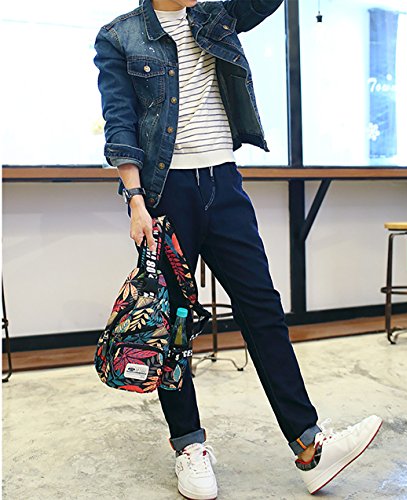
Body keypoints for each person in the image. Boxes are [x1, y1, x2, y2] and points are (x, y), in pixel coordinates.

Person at [94, 1, 383, 498]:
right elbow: (120, 122)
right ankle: (189, 445)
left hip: (224, 184)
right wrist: (136, 200)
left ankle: (309, 446)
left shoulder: (215, 14)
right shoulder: (120, 36)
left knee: (262, 308)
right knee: (173, 324)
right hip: (166, 193)